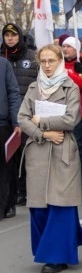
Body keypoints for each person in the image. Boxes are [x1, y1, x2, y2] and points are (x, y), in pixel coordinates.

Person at [17, 44, 82, 273]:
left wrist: (41, 120)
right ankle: (50, 249)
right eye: (44, 61)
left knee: (61, 204)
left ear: (60, 61)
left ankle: (58, 257)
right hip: (38, 149)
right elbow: (22, 117)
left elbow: (71, 119)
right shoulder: (33, 87)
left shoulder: (70, 86)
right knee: (39, 206)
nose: (47, 66)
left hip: (63, 150)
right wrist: (42, 132)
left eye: (52, 61)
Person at [2, 22, 37, 213]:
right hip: (6, 119)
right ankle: (11, 196)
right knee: (9, 159)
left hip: (27, 117)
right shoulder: (1, 57)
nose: (10, 38)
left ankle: (25, 190)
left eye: (13, 35)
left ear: (20, 37)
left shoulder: (32, 57)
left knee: (25, 156)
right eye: (6, 35)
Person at [61, 37, 82, 190]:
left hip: (80, 112)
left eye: (69, 46)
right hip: (62, 111)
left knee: (77, 145)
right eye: (63, 46)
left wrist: (69, 75)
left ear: (76, 49)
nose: (65, 49)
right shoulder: (59, 64)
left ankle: (80, 176)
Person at [0, 56, 20, 221]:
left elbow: (13, 93)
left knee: (6, 168)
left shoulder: (3, 64)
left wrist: (16, 122)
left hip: (3, 125)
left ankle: (6, 204)